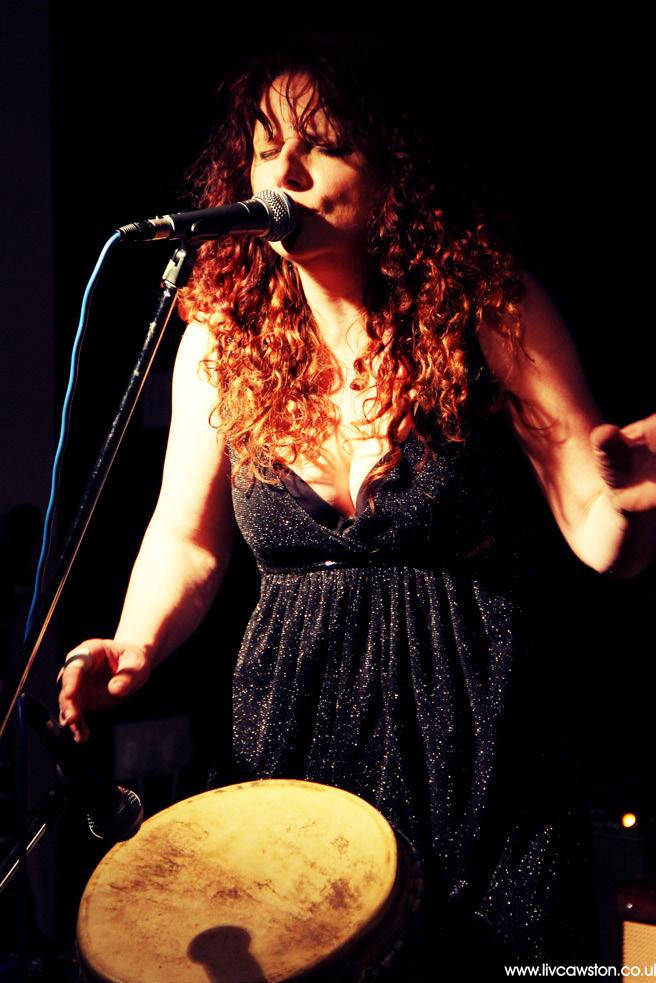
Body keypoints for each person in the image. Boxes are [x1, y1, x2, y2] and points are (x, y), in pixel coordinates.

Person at [57, 32, 656, 978]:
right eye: (266, 146)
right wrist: (135, 643)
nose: (284, 171)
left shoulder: (487, 307)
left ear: (393, 169)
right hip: (296, 737)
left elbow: (598, 531)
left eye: (323, 145)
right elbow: (187, 539)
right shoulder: (220, 338)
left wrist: (630, 503)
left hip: (484, 745)